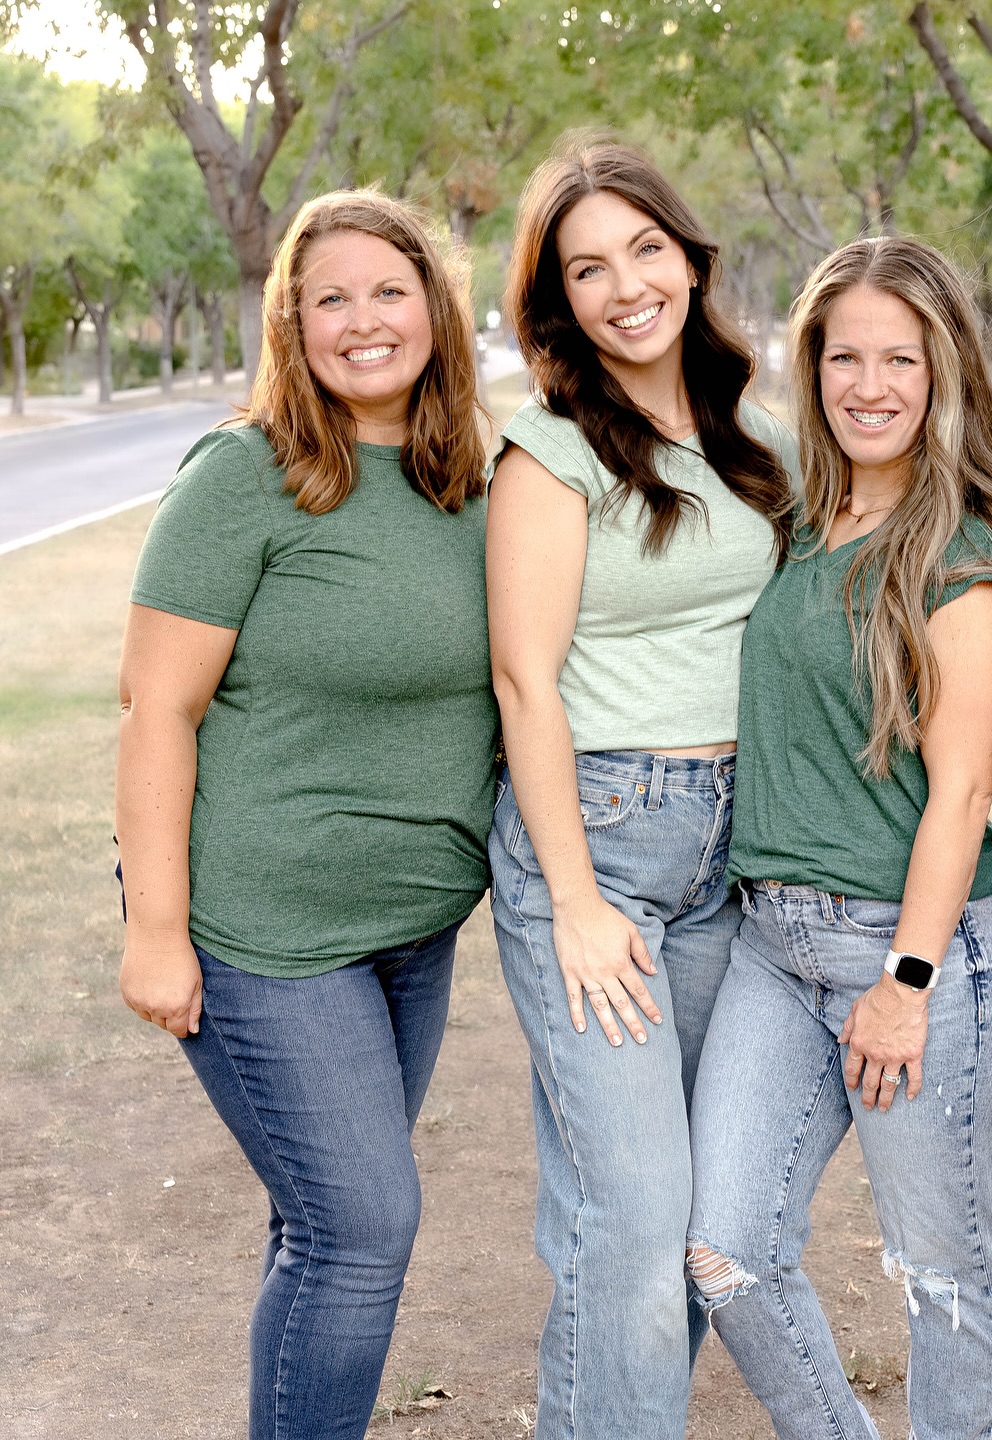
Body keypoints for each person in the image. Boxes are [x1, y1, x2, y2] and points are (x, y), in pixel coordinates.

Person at [114, 190, 497, 1440]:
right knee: (364, 1227)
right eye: (329, 298)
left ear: (436, 310)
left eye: (388, 290)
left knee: (319, 1225)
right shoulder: (246, 476)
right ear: (292, 322)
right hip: (266, 934)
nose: (362, 320)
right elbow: (156, 709)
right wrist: (155, 932)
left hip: (412, 936)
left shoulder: (471, 482)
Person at [685, 236, 992, 1440]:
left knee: (941, 1272)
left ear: (942, 372)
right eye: (846, 357)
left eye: (902, 359)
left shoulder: (961, 558)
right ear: (813, 366)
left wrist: (907, 981)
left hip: (918, 954)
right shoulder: (797, 515)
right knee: (726, 1248)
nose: (871, 385)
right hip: (771, 948)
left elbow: (962, 793)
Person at [484, 141, 796, 1438]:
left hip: (733, 851)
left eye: (645, 251)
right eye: (588, 269)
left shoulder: (752, 435)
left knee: (690, 1223)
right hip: (599, 841)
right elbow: (523, 681)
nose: (626, 288)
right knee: (630, 1215)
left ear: (690, 258)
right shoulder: (551, 449)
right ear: (558, 300)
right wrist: (572, 901)